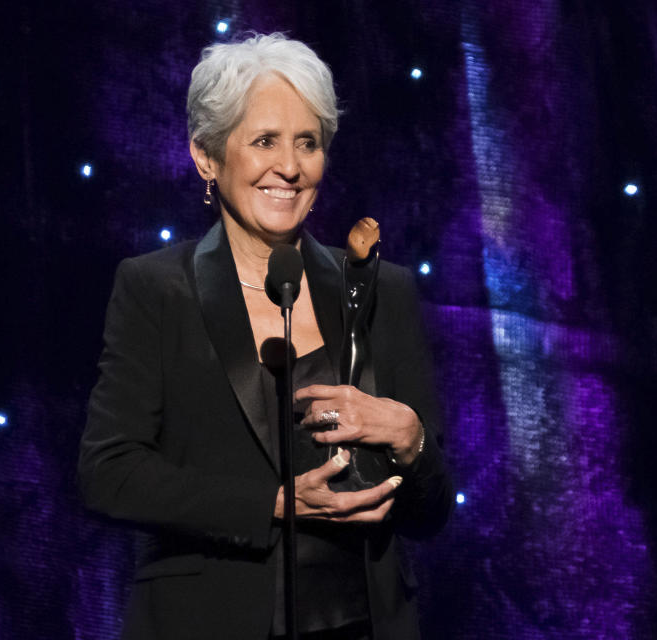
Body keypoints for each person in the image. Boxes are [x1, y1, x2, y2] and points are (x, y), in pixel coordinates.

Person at [78, 33, 453, 640]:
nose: (290, 166)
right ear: (207, 157)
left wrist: (411, 440)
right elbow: (109, 473)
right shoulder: (155, 289)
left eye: (308, 142)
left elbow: (430, 512)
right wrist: (276, 503)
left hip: (364, 625)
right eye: (264, 141)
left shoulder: (385, 289)